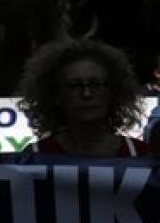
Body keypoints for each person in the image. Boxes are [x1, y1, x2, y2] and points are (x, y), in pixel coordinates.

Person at [17, 38, 148, 157]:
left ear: (112, 92)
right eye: (74, 85)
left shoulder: (141, 154)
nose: (86, 94)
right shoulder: (34, 157)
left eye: (96, 84)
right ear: (56, 96)